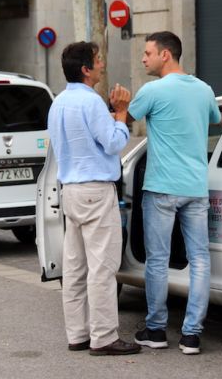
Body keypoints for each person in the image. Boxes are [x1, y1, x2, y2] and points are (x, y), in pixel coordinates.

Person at [128, 31, 221, 355]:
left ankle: (155, 329)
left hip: (162, 188)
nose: (143, 58)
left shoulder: (152, 91)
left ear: (165, 55)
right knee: (199, 260)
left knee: (157, 260)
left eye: (147, 53)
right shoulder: (204, 89)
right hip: (195, 187)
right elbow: (214, 118)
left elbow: (126, 118)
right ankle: (192, 335)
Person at [47, 41, 140, 356]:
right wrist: (122, 113)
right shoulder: (91, 103)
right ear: (86, 70)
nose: (102, 64)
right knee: (102, 268)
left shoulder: (58, 102)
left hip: (70, 190)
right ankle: (104, 337)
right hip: (96, 190)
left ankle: (78, 334)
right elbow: (113, 143)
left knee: (75, 268)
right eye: (98, 61)